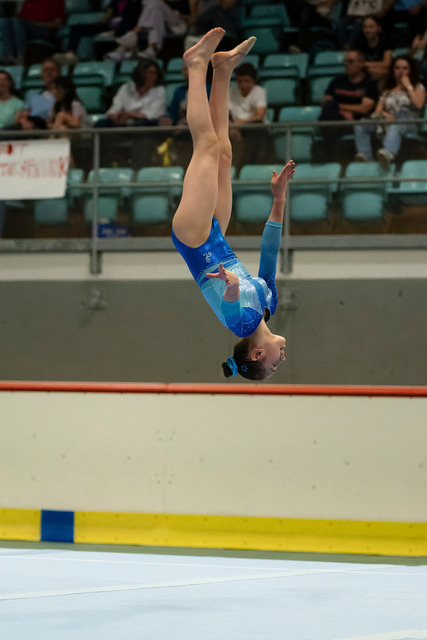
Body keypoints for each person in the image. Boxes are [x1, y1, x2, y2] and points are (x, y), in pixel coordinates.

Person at [171, 28, 295, 380]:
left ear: (257, 354)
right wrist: (279, 200)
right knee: (224, 153)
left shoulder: (240, 324)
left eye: (273, 364)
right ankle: (222, 70)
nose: (281, 359)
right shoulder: (268, 305)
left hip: (195, 239)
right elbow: (269, 253)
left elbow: (230, 299)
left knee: (207, 146)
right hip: (216, 237)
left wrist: (232, 285)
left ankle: (196, 65)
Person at [354, 54, 426, 168]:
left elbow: (419, 105)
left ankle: (388, 153)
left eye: (405, 68)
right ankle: (365, 157)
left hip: (408, 122)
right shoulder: (387, 91)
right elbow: (377, 112)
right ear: (393, 71)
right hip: (387, 122)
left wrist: (408, 86)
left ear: (410, 70)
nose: (401, 71)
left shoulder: (417, 87)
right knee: (361, 125)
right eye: (397, 68)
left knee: (401, 114)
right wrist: (384, 115)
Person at [314, 49, 378, 161]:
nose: (346, 65)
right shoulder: (337, 81)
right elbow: (325, 101)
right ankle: (327, 152)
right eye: (345, 62)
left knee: (330, 111)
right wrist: (343, 111)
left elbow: (364, 109)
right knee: (329, 109)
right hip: (338, 120)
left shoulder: (369, 85)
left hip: (356, 124)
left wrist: (338, 106)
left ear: (361, 63)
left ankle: (324, 150)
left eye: (351, 62)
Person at [53, 0, 142, 66]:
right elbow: (109, 13)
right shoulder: (116, 1)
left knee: (124, 27)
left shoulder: (136, 2)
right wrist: (102, 22)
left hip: (125, 27)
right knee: (77, 28)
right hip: (109, 27)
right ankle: (70, 54)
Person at [95, 58, 166, 127]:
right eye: (150, 73)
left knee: (141, 123)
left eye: (155, 73)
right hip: (124, 120)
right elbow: (113, 110)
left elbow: (152, 114)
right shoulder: (126, 87)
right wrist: (117, 116)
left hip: (145, 122)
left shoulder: (159, 90)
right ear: (141, 73)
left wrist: (129, 115)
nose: (154, 77)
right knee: (101, 123)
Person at [228, 62, 272, 169]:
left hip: (253, 128)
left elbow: (259, 116)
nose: (242, 85)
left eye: (246, 81)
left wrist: (239, 123)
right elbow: (226, 113)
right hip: (234, 127)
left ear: (253, 81)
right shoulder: (230, 91)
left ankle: (252, 166)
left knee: (258, 129)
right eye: (239, 81)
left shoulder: (259, 91)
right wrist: (232, 126)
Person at [1, 0, 65, 65]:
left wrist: (37, 24)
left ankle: (21, 58)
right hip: (26, 30)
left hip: (45, 31)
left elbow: (58, 24)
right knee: (6, 22)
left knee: (17, 23)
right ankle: (10, 57)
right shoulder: (29, 2)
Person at [14, 58, 60, 130]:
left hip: (50, 128)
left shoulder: (64, 96)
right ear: (42, 75)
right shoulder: (33, 96)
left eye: (52, 69)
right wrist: (24, 122)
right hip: (31, 128)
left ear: (59, 72)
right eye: (45, 70)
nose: (49, 73)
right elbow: (22, 116)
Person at [353, 15, 393, 84]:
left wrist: (366, 64)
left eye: (371, 27)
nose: (367, 30)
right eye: (365, 27)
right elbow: (357, 64)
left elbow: (387, 63)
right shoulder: (359, 43)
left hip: (382, 73)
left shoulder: (386, 42)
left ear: (379, 28)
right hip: (366, 74)